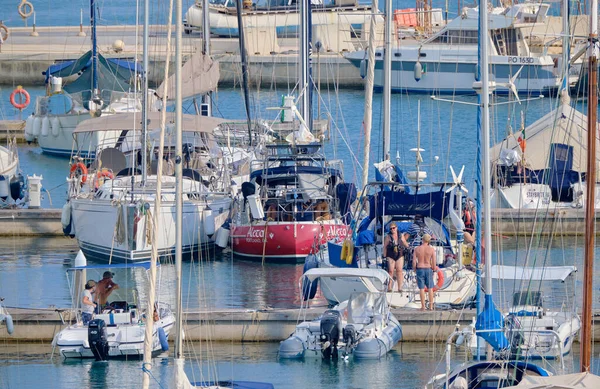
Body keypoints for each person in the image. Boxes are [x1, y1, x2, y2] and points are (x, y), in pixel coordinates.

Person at [413, 234, 437, 311]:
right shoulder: (431, 249)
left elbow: (414, 261)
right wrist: (433, 268)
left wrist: (414, 269)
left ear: (422, 240)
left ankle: (423, 306)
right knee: (430, 288)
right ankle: (430, 306)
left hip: (420, 268)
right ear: (429, 241)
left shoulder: (417, 249)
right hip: (428, 268)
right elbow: (434, 261)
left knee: (421, 288)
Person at [384, 222, 409, 292]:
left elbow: (405, 243)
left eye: (393, 228)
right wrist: (384, 255)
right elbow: (385, 247)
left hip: (399, 254)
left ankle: (400, 287)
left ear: (396, 228)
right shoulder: (388, 237)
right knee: (391, 271)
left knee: (399, 270)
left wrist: (409, 248)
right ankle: (389, 287)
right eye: (391, 229)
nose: (392, 230)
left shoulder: (401, 235)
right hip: (391, 254)